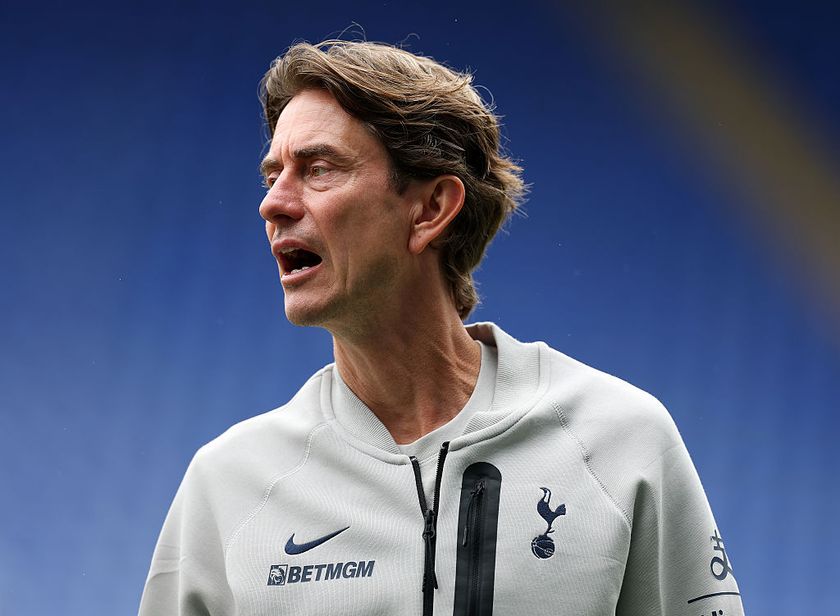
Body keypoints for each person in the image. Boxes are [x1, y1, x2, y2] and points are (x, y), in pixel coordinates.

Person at [139, 40, 744, 616]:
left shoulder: (621, 441)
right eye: (272, 176)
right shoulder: (229, 485)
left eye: (318, 168)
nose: (274, 203)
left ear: (430, 208)